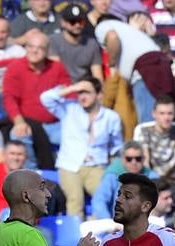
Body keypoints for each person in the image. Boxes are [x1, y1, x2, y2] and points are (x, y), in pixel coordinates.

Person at [41, 78, 122, 216]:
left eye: (87, 92)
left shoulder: (111, 117)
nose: (83, 97)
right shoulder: (69, 108)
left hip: (96, 166)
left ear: (99, 95)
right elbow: (45, 98)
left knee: (104, 197)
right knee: (75, 199)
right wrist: (72, 89)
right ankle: (77, 236)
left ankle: (98, 230)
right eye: (80, 93)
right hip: (69, 165)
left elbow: (116, 146)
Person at [4, 32, 69, 169]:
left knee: (81, 135)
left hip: (56, 124)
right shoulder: (15, 67)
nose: (34, 51)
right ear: (25, 48)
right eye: (31, 46)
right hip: (28, 122)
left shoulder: (57, 68)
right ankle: (32, 174)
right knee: (18, 135)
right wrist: (19, 122)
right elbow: (10, 98)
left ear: (47, 51)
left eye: (40, 48)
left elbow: (69, 96)